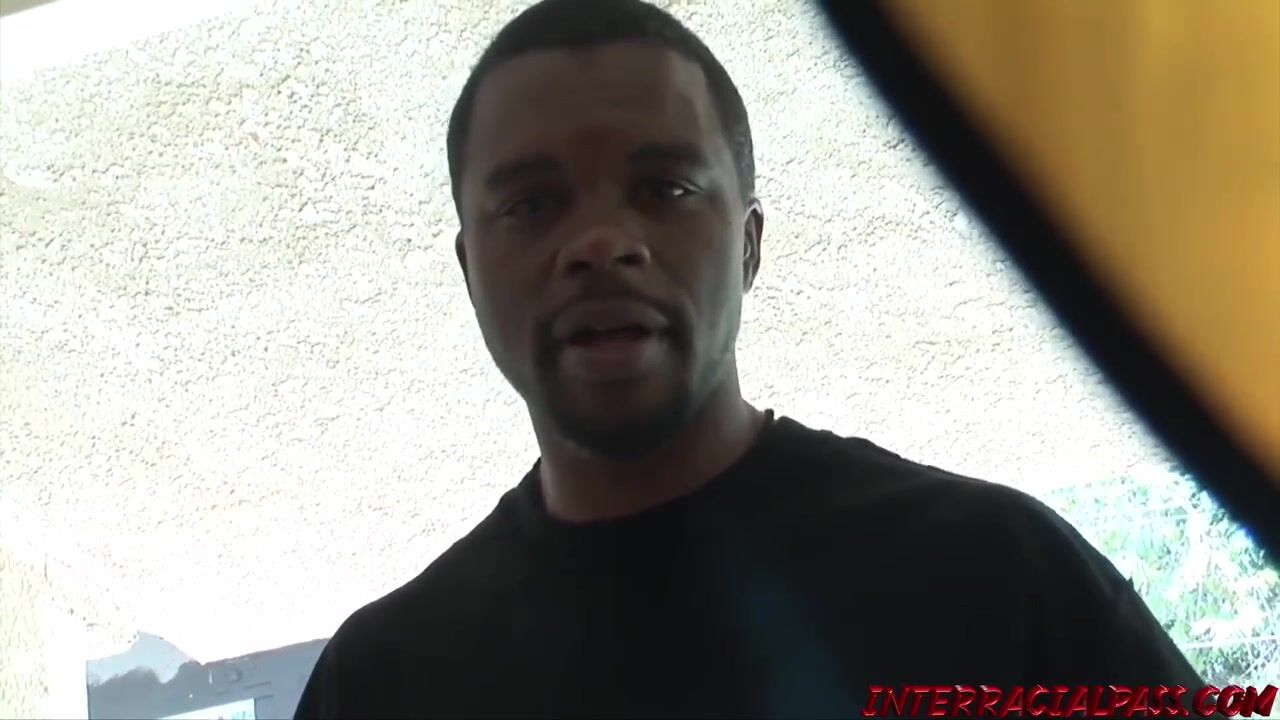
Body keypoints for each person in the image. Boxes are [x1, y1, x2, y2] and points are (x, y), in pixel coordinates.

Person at [294, 0, 1205, 716]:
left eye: (665, 189)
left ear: (748, 244)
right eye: (532, 204)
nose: (602, 243)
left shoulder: (1000, 579)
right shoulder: (378, 686)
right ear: (470, 270)